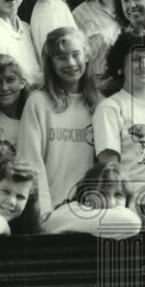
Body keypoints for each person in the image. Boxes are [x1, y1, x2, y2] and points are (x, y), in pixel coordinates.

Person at [18, 26, 99, 216]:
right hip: (51, 211)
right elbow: (30, 163)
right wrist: (43, 212)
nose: (70, 63)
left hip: (91, 211)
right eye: (61, 58)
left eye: (75, 54)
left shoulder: (99, 105)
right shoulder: (38, 103)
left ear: (86, 55)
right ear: (51, 63)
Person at [93, 28, 145, 195]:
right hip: (130, 202)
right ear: (121, 64)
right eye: (136, 60)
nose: (144, 66)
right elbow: (109, 168)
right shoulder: (110, 108)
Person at [42, 161, 142, 237]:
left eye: (118, 195)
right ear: (87, 196)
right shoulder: (68, 211)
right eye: (102, 193)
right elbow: (132, 222)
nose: (111, 202)